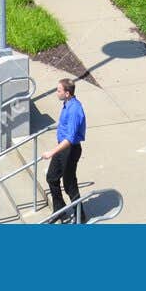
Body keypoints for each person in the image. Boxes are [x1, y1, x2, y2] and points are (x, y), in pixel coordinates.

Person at [46, 78, 86, 223]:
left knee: (69, 183)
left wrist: (52, 152)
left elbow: (70, 138)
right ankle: (59, 209)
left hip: (69, 149)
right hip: (62, 148)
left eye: (59, 90)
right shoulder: (66, 104)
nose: (57, 93)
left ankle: (80, 215)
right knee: (51, 177)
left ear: (67, 93)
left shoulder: (75, 109)